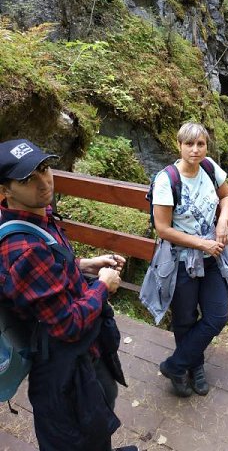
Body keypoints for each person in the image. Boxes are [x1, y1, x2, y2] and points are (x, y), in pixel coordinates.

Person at [0, 139, 137, 451]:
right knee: (83, 430)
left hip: (79, 354)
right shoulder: (23, 249)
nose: (44, 181)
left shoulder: (32, 218)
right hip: (64, 364)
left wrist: (85, 265)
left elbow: (47, 273)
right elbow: (68, 325)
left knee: (97, 416)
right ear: (5, 190)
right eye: (27, 178)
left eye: (44, 167)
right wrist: (103, 286)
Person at [149, 122, 228, 397]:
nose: (195, 150)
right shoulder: (167, 180)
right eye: (189, 144)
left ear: (206, 146)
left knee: (217, 316)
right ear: (179, 145)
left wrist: (222, 222)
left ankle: (175, 365)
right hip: (181, 261)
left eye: (200, 144)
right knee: (184, 319)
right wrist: (201, 243)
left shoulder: (209, 168)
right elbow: (163, 229)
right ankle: (195, 367)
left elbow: (227, 195)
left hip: (212, 258)